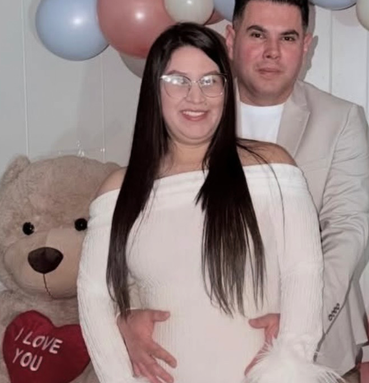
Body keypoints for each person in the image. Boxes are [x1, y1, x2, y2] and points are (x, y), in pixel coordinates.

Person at [116, 0, 369, 383]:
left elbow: (347, 228)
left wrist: (299, 321)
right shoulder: (189, 111)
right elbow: (142, 221)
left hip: (317, 350)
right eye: (258, 34)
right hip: (198, 348)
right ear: (231, 38)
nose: (272, 51)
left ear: (305, 45)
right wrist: (128, 312)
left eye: (287, 37)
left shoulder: (340, 120)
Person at [77, 22, 342, 383]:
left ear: (226, 88)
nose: (196, 97)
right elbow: (94, 295)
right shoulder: (117, 191)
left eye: (209, 80)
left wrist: (291, 357)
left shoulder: (272, 168)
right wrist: (118, 375)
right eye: (178, 80)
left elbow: (304, 269)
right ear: (154, 89)